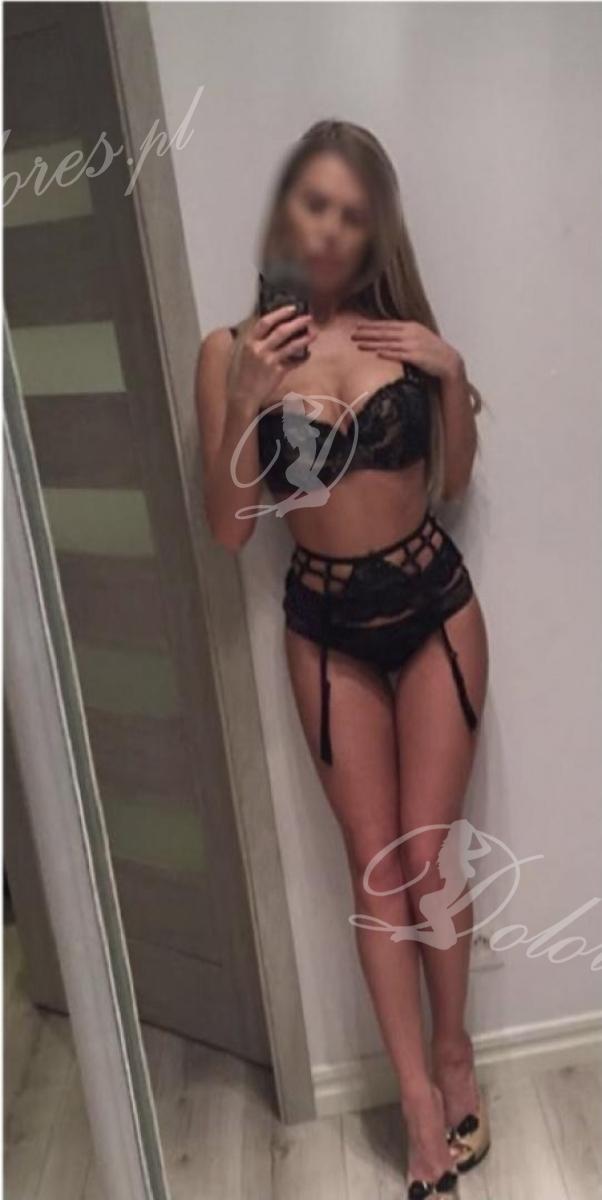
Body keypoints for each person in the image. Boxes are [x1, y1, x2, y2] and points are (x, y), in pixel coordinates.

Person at [196, 118, 491, 1199]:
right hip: (324, 629)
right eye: (313, 202)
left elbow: (450, 482)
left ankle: (454, 1056)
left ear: (374, 231)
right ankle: (415, 1104)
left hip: (434, 609)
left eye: (352, 213)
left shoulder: (401, 336)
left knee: (428, 861)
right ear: (287, 208)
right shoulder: (232, 351)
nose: (328, 227)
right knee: (376, 872)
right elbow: (230, 529)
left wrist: (450, 374)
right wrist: (246, 399)